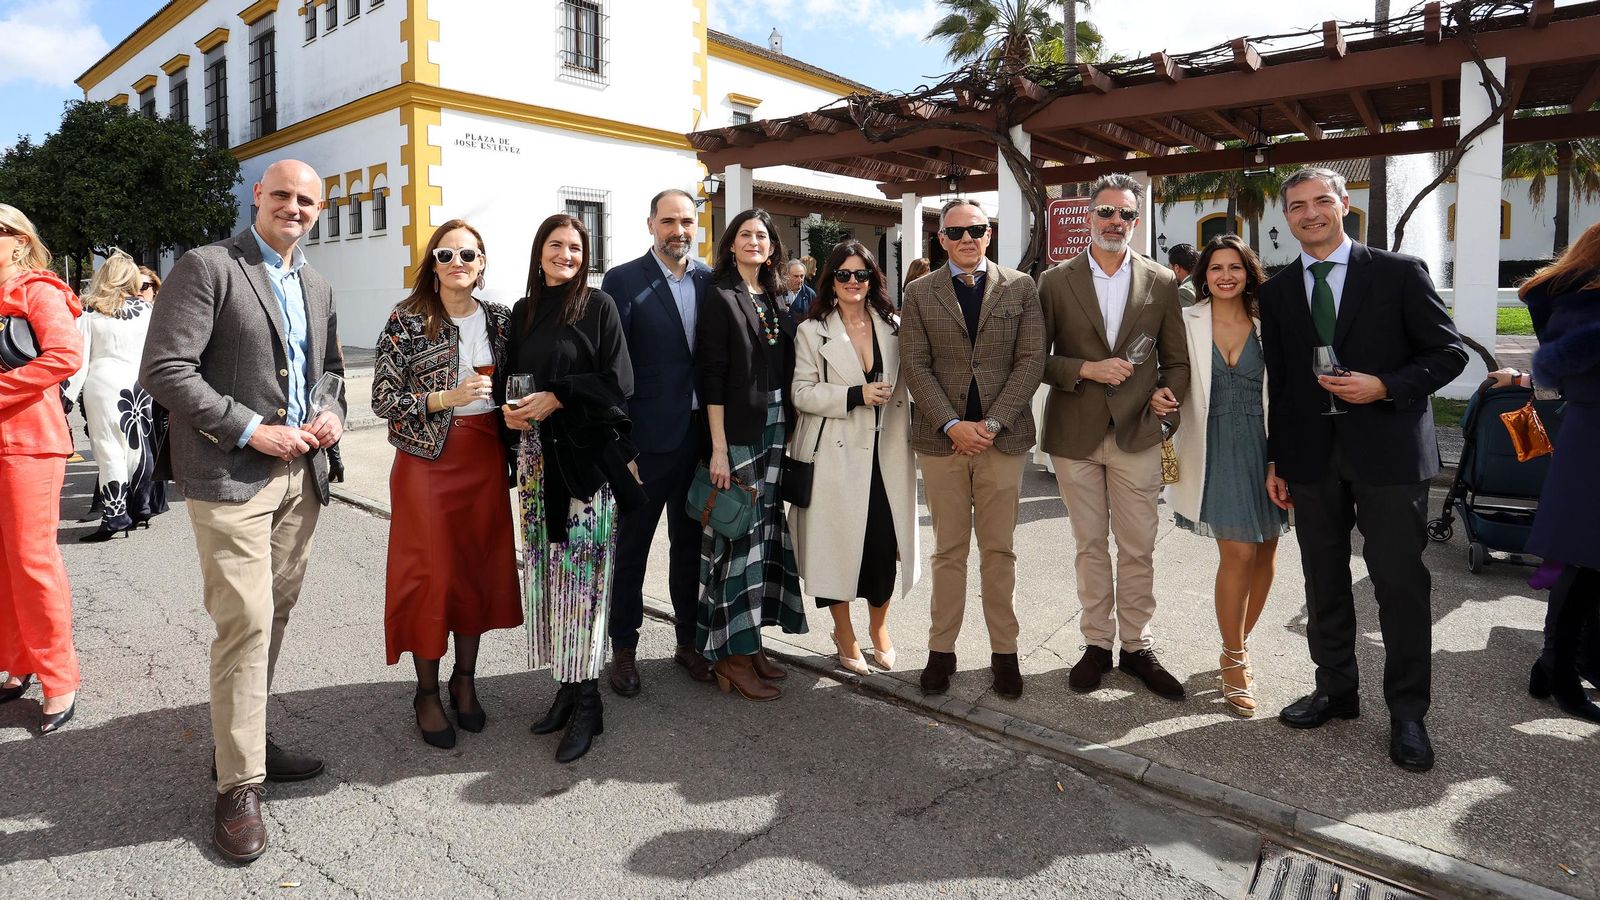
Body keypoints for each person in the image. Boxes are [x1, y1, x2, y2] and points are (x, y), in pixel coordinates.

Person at [141, 160, 346, 863]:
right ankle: (237, 786)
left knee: (274, 615)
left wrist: (331, 413)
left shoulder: (315, 283)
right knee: (246, 624)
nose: (294, 207)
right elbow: (167, 370)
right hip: (231, 476)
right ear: (257, 197)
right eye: (282, 195)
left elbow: (332, 373)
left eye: (307, 200)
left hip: (302, 480)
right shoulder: (208, 266)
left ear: (321, 209)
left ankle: (246, 740)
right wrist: (247, 427)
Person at [1260, 166, 1466, 773]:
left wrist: (1384, 386)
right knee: (1323, 581)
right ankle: (1336, 690)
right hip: (1311, 459)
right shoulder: (1276, 291)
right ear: (1287, 217)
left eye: (1320, 201)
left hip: (1389, 454)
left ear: (1344, 205)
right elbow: (1286, 383)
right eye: (1296, 206)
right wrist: (1278, 457)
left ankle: (1408, 712)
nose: (1309, 213)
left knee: (1399, 584)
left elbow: (1448, 352)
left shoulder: (1399, 273)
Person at [1038, 173, 1190, 701]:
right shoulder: (1055, 281)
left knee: (1138, 547)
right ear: (1089, 215)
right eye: (1106, 212)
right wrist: (1087, 369)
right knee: (1089, 546)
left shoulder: (1161, 282)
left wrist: (1166, 405)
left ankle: (1137, 647)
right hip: (1074, 434)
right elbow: (1035, 358)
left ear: (1136, 220)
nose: (1115, 222)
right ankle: (1097, 645)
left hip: (1139, 434)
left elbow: (1175, 360)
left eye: (1126, 214)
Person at [372, 219, 522, 749]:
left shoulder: (501, 320)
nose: (458, 263)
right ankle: (427, 691)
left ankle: (465, 680)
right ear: (432, 264)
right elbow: (383, 400)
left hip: (483, 456)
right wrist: (443, 399)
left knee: (475, 568)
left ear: (482, 264)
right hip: (426, 465)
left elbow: (516, 384)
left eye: (469, 255)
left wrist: (516, 409)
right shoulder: (407, 319)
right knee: (431, 574)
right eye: (446, 255)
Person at [502, 213, 641, 763]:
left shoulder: (599, 306)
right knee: (549, 577)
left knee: (583, 585)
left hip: (584, 465)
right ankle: (567, 687)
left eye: (576, 247)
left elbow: (619, 384)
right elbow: (509, 382)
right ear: (539, 253)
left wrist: (559, 395)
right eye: (556, 245)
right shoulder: (524, 312)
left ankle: (589, 702)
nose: (567, 254)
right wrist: (509, 415)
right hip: (537, 464)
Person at [900, 199, 1043, 700]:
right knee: (949, 551)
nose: (967, 239)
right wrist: (952, 424)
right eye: (956, 232)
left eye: (976, 230)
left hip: (1004, 441)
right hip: (942, 444)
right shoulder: (919, 292)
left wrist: (993, 422)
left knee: (1000, 551)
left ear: (989, 234)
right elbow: (915, 364)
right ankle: (942, 651)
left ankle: (1005, 652)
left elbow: (1030, 360)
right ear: (941, 240)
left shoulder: (1020, 287)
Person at [1156, 235, 1287, 717]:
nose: (1226, 275)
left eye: (1235, 267)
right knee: (1238, 551)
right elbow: (1163, 368)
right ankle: (1235, 660)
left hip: (1269, 447)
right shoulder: (1185, 318)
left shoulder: (1268, 322)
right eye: (1216, 268)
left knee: (1267, 549)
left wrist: (1286, 456)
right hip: (1213, 447)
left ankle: (1238, 643)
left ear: (1249, 273)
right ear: (1203, 274)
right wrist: (1157, 393)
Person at [601, 188, 716, 695]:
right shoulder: (622, 281)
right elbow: (612, 371)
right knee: (632, 549)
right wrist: (622, 449)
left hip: (698, 439)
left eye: (687, 221)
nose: (679, 230)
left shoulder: (712, 280)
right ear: (650, 224)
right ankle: (622, 648)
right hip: (645, 444)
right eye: (669, 221)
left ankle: (687, 642)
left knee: (689, 547)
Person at [789, 240, 920, 674]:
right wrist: (854, 394)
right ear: (830, 280)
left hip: (886, 455)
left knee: (883, 548)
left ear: (872, 279)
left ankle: (880, 629)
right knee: (836, 550)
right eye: (843, 274)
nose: (852, 282)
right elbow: (801, 392)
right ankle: (844, 633)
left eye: (860, 274)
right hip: (834, 456)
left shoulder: (894, 325)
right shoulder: (813, 330)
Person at [696, 208, 808, 701]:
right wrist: (718, 448)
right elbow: (712, 377)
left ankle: (752, 638)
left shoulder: (779, 295)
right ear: (731, 243)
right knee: (738, 537)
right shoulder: (718, 295)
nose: (754, 242)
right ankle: (731, 656)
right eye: (745, 235)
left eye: (761, 236)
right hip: (739, 432)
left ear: (772, 246)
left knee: (765, 532)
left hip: (779, 425)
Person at [1499, 220, 1600, 723]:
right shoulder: (1579, 308)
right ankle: (1560, 670)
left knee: (1589, 563)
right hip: (1592, 438)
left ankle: (1563, 663)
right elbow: (1564, 366)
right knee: (1584, 561)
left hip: (1587, 433)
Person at [0, 203, 84, 735]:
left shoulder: (38, 289)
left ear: (19, 240)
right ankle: (18, 662)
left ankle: (60, 677)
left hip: (30, 441)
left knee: (32, 562)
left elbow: (64, 356)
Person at [65, 250, 169, 541]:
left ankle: (114, 515)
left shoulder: (90, 311)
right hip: (139, 386)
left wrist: (67, 396)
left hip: (103, 385)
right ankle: (141, 508)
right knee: (138, 449)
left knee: (108, 449)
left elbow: (79, 359)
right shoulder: (147, 311)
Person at [1167, 243, 1199, 307]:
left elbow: (1183, 317)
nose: (1168, 271)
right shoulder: (1205, 282)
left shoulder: (1184, 291)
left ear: (1176, 268)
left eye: (1169, 267)